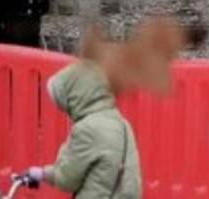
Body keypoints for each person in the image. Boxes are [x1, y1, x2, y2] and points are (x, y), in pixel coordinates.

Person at [21, 60, 142, 199]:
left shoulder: (87, 129)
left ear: (76, 96)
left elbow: (66, 180)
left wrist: (43, 173)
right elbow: (131, 181)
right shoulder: (122, 123)